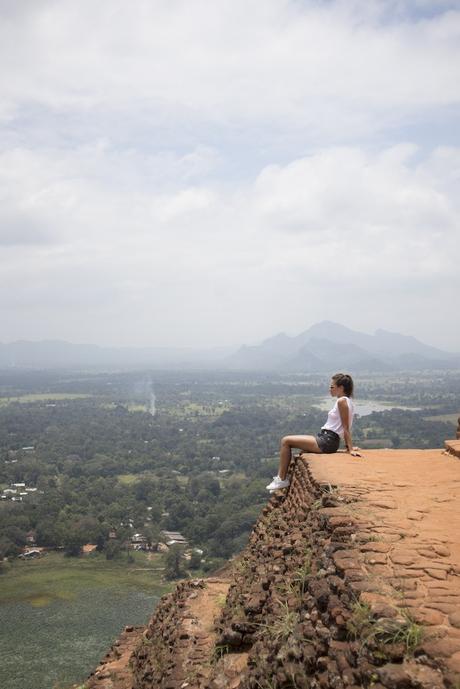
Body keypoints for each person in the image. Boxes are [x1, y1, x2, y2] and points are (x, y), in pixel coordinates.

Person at [266, 373, 361, 491]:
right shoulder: (347, 401)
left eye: (332, 387)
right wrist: (348, 447)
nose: (329, 389)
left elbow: (345, 427)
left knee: (286, 441)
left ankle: (281, 479)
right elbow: (344, 426)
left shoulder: (342, 401)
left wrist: (350, 449)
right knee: (302, 449)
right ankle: (282, 479)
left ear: (341, 388)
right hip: (327, 439)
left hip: (327, 441)